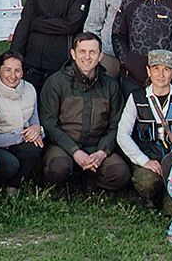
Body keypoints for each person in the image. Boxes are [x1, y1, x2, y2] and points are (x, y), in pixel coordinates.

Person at [39, 33, 130, 192]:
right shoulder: (56, 82)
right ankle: (65, 181)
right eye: (82, 51)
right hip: (64, 145)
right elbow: (49, 123)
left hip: (96, 146)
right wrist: (75, 152)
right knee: (59, 168)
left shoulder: (110, 86)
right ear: (73, 54)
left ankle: (88, 180)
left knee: (121, 174)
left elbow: (116, 125)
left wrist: (103, 152)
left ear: (100, 55)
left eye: (92, 52)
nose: (87, 57)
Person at [114, 50, 172, 208]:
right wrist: (144, 161)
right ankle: (149, 197)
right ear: (148, 71)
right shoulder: (136, 98)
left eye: (166, 70)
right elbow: (122, 134)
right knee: (146, 182)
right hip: (148, 157)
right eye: (156, 69)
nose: (161, 74)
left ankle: (167, 196)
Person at [0, 51, 43, 194]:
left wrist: (37, 130)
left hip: (18, 140)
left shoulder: (29, 89)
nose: (12, 76)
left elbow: (34, 120)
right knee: (10, 165)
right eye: (7, 70)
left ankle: (13, 188)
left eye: (17, 71)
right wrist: (21, 135)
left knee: (34, 148)